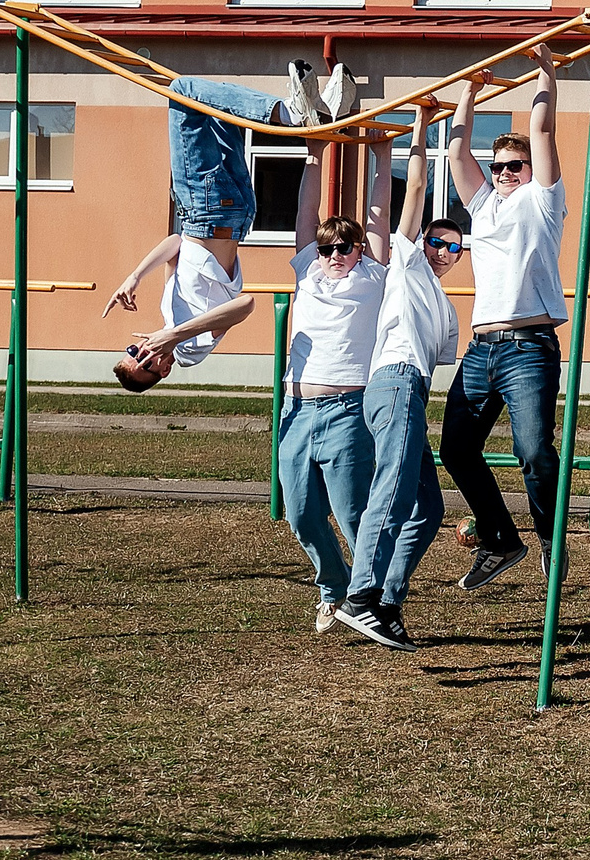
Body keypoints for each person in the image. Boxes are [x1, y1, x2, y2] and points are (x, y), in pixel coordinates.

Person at [102, 60, 348, 389]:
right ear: (164, 371)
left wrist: (134, 277)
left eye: (134, 350)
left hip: (227, 213)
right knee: (184, 92)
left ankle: (322, 113)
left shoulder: (168, 315)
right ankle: (288, 113)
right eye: (145, 360)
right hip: (208, 213)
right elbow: (244, 305)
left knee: (217, 106)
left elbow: (176, 243)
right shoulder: (190, 348)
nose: (145, 349)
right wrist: (173, 335)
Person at [438, 45, 567, 592]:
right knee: (455, 448)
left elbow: (542, 129)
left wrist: (545, 70)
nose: (505, 173)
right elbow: (455, 155)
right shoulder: (485, 206)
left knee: (534, 450)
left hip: (528, 345)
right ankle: (498, 537)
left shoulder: (543, 200)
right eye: (499, 167)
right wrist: (469, 90)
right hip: (481, 349)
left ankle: (548, 539)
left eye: (514, 166)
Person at [336, 104, 463, 651]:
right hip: (393, 382)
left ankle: (387, 601)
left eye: (452, 246)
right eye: (435, 240)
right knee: (391, 488)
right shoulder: (405, 266)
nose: (440, 250)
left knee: (428, 508)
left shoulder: (448, 310)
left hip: (409, 394)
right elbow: (415, 188)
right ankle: (359, 597)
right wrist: (423, 122)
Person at [279, 136, 390, 635]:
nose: (334, 255)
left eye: (344, 247)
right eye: (327, 248)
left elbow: (379, 215)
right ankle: (333, 588)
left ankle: (377, 601)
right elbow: (306, 209)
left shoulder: (373, 275)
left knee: (353, 515)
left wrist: (382, 154)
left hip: (348, 407)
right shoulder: (307, 270)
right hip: (297, 407)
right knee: (301, 514)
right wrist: (314, 151)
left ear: (359, 250)